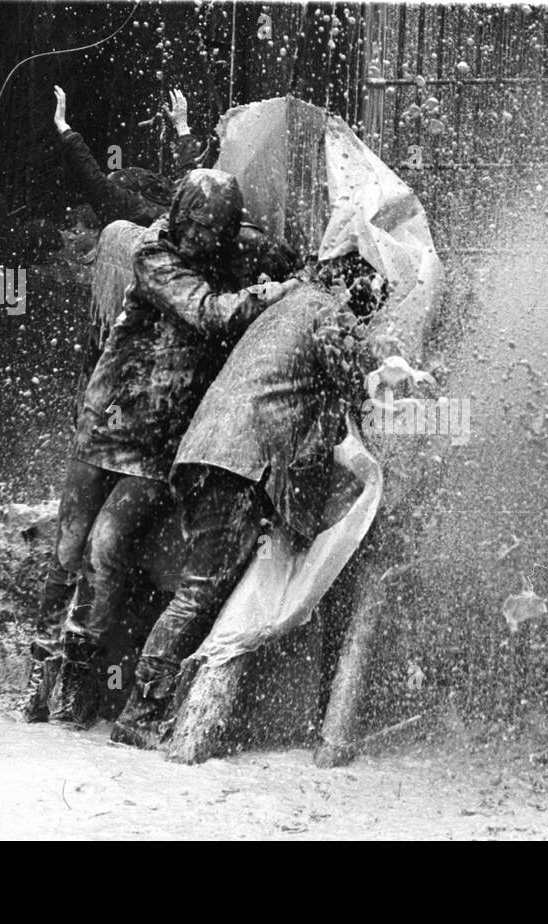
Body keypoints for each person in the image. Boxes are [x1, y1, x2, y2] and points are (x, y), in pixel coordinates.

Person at [38, 169, 298, 729]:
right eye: (199, 225)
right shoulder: (155, 254)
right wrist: (277, 291)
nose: (206, 237)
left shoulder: (233, 244)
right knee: (66, 555)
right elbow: (208, 312)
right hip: (107, 422)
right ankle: (42, 690)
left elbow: (282, 256)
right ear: (180, 217)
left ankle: (76, 701)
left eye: (217, 228)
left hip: (161, 443)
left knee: (103, 553)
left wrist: (304, 268)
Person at [111, 254, 384, 749]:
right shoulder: (327, 310)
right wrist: (384, 370)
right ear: (350, 291)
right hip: (240, 456)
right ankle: (140, 715)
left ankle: (150, 707)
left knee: (203, 586)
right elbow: (354, 379)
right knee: (200, 589)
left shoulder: (285, 305)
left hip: (207, 448)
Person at [54, 86, 214, 229]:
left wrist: (64, 127)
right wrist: (182, 126)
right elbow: (190, 177)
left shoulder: (133, 209)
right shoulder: (180, 203)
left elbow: (92, 178)